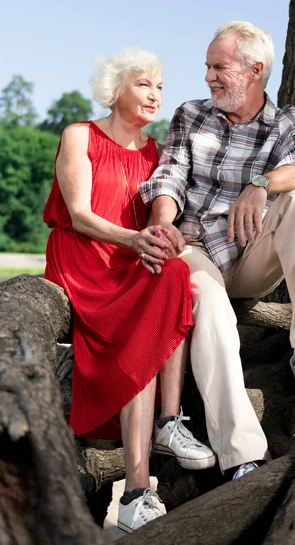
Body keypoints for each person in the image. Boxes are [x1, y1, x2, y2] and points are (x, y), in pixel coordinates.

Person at [139, 21, 295, 481]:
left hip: (249, 250)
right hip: (194, 248)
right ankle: (243, 457)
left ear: (254, 70)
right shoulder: (191, 115)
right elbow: (170, 175)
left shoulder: (285, 122)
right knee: (213, 311)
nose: (208, 77)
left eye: (218, 67)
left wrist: (260, 185)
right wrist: (161, 222)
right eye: (207, 67)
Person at [43, 47, 215, 533]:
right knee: (147, 312)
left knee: (178, 273)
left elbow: (165, 218)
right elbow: (78, 214)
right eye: (144, 84)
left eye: (160, 87)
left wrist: (173, 236)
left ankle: (168, 422)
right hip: (85, 260)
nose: (155, 94)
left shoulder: (157, 153)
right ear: (116, 88)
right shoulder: (79, 135)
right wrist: (135, 240)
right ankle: (137, 492)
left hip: (129, 261)